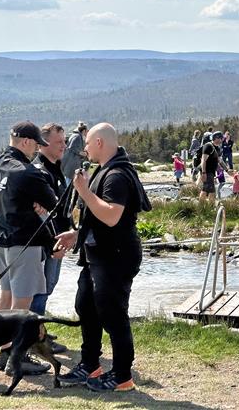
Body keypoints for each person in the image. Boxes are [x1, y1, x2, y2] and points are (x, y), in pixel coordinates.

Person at [55, 123, 150, 392]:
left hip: (116, 256)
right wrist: (76, 235)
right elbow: (97, 218)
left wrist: (83, 190)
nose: (83, 148)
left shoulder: (117, 175)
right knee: (85, 305)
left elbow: (111, 216)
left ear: (99, 143)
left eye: (87, 143)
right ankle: (90, 364)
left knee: (112, 313)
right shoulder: (103, 170)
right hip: (96, 253)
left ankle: (122, 375)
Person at [0, 121, 59, 376]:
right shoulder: (27, 172)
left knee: (6, 297)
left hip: (2, 239)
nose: (36, 151)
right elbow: (53, 203)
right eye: (36, 146)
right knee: (23, 304)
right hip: (24, 242)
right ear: (26, 142)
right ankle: (16, 358)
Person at [30, 123, 70, 339]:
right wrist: (53, 244)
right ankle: (36, 335)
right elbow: (42, 215)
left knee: (49, 286)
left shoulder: (57, 169)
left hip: (59, 238)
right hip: (48, 243)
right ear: (43, 143)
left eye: (64, 141)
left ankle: (39, 330)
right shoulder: (39, 172)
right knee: (41, 289)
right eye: (59, 142)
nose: (64, 145)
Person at [198, 132, 223, 203]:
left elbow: (218, 160)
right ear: (216, 138)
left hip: (211, 172)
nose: (221, 140)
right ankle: (206, 207)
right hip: (207, 172)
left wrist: (226, 169)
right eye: (220, 138)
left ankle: (202, 207)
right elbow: (203, 160)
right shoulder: (208, 146)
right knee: (211, 191)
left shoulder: (217, 148)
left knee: (205, 190)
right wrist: (203, 172)